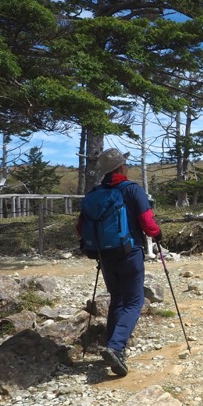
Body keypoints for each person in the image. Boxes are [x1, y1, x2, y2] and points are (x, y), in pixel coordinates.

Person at [76, 148, 162, 377]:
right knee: (135, 301)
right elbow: (147, 221)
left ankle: (113, 346)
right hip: (129, 251)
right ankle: (115, 347)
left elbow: (79, 228)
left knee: (117, 298)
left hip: (104, 255)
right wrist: (158, 234)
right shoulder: (132, 189)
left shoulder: (94, 193)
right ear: (121, 166)